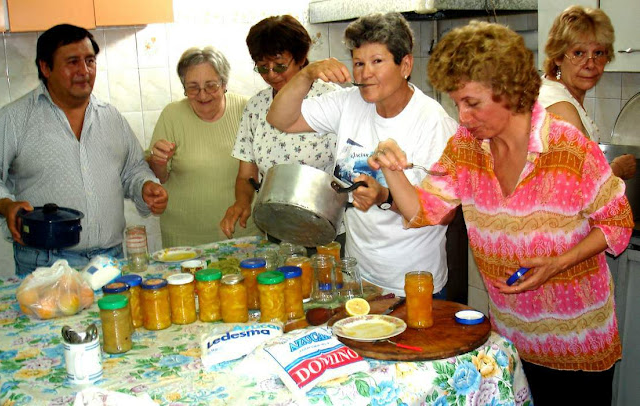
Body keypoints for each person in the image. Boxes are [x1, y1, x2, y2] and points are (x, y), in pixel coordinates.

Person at [368, 21, 634, 405]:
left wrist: (558, 263)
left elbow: (617, 223)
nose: (461, 117)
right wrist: (391, 168)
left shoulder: (567, 148)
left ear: (509, 92)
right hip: (509, 341)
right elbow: (424, 211)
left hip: (576, 344)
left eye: (471, 103)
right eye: (457, 102)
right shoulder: (466, 147)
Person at [267, 12, 457, 297]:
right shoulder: (349, 103)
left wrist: (384, 197)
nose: (364, 73)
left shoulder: (435, 123)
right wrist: (307, 74)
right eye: (358, 63)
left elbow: (438, 215)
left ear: (405, 65)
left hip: (414, 283)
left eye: (377, 61)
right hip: (359, 277)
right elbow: (280, 119)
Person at [0, 24, 168, 276]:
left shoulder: (111, 118)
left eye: (90, 61)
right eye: (72, 62)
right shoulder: (14, 119)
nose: (84, 71)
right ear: (46, 68)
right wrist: (6, 205)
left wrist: (145, 186)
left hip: (108, 261)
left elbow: (132, 170)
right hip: (44, 263)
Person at [219, 15, 339, 249]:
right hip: (278, 229)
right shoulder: (256, 107)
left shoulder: (331, 99)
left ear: (302, 58)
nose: (271, 74)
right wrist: (241, 202)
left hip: (329, 231)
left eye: (280, 65)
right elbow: (247, 174)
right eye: (263, 67)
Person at [147, 46, 260, 246]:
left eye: (211, 86)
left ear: (224, 83)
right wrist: (158, 160)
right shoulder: (172, 115)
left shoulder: (247, 109)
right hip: (184, 238)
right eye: (193, 87)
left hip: (242, 233)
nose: (202, 95)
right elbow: (161, 175)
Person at [539, 5, 636, 180]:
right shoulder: (561, 109)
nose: (590, 64)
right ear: (558, 57)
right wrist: (617, 170)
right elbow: (574, 190)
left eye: (598, 53)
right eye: (579, 53)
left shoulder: (553, 91)